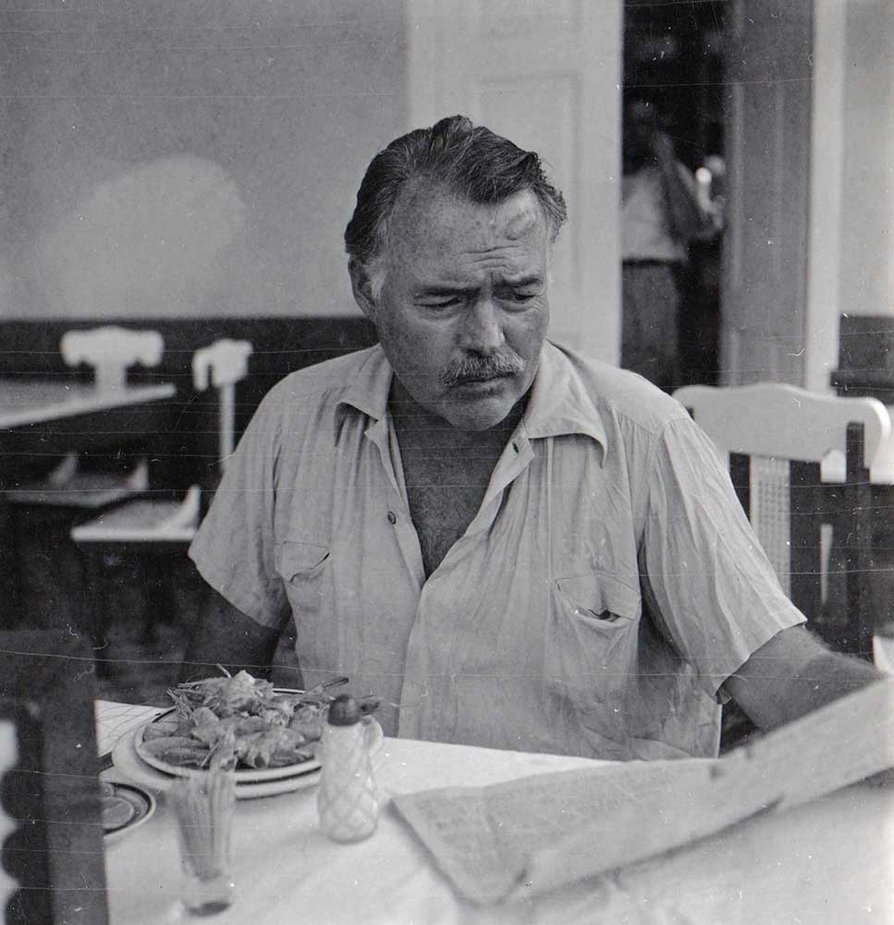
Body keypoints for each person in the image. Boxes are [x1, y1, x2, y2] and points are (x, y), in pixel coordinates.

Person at [182, 115, 880, 762]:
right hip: (363, 860)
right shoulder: (294, 421)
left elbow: (789, 678)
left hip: (584, 872)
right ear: (367, 288)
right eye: (444, 300)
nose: (488, 340)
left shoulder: (646, 438)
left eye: (518, 295)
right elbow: (213, 675)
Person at [621, 95, 716, 390]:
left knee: (653, 366)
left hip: (652, 275)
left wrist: (666, 164)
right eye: (632, 123)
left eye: (646, 123)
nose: (638, 131)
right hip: (608, 277)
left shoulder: (673, 175)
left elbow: (689, 227)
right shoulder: (606, 173)